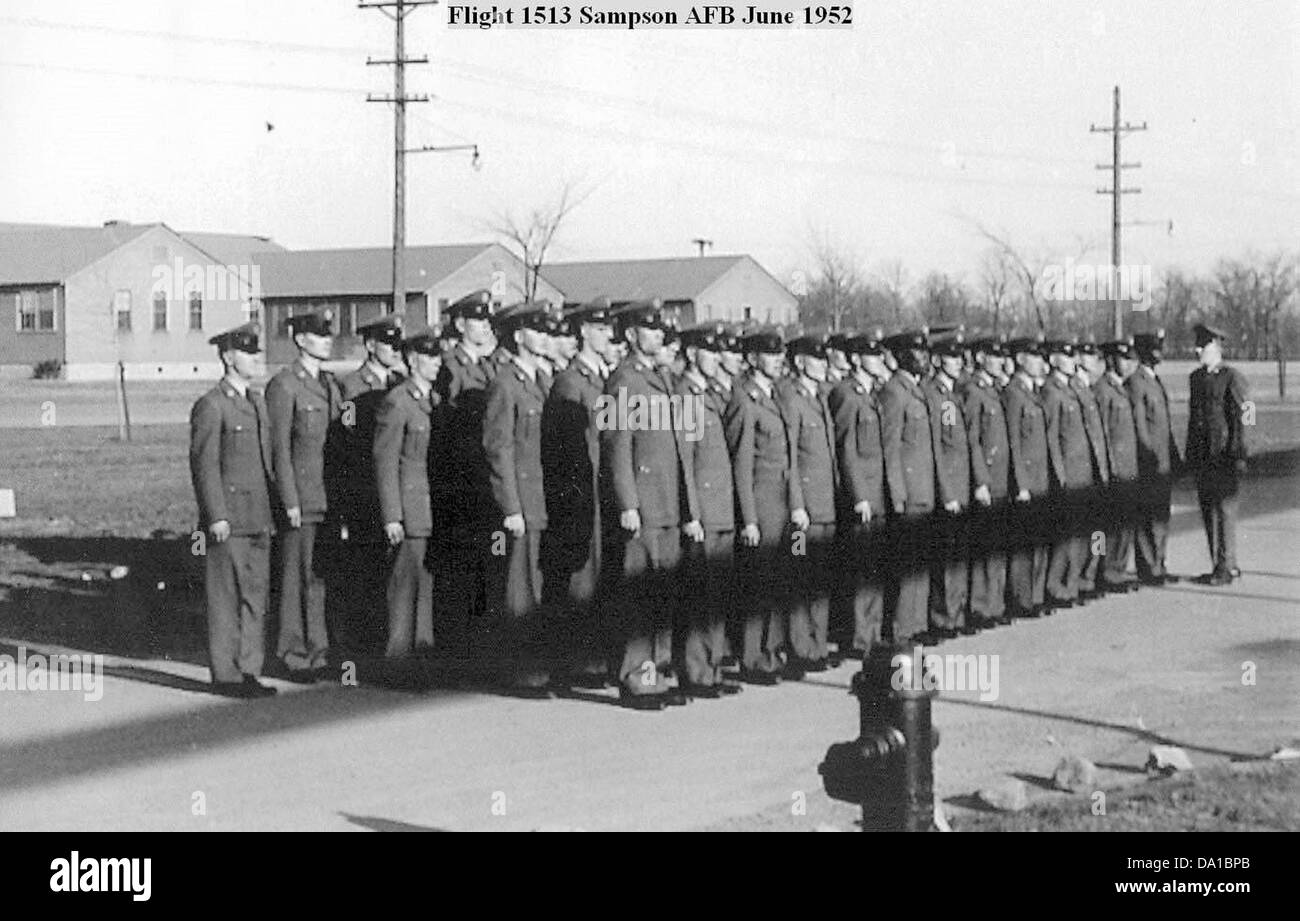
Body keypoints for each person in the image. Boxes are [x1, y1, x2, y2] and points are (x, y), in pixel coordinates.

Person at [601, 300, 701, 710]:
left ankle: (657, 673)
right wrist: (627, 502)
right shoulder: (622, 380)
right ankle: (636, 677)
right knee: (640, 596)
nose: (658, 334)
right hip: (643, 500)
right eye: (649, 328)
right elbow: (616, 445)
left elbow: (682, 448)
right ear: (630, 334)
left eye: (661, 329)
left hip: (669, 502)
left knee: (662, 594)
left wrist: (689, 506)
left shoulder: (664, 377)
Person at [189, 323, 278, 698]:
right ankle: (226, 674)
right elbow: (204, 464)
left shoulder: (256, 402)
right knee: (225, 597)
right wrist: (216, 515)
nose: (257, 359)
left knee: (255, 595)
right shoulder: (212, 405)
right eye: (248, 352)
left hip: (259, 514)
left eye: (258, 352)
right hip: (229, 518)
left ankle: (249, 669)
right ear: (228, 357)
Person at [541, 297, 616, 688]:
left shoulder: (604, 379)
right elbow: (565, 450)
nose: (608, 335)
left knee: (600, 578)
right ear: (584, 332)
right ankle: (571, 664)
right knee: (579, 580)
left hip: (603, 491)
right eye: (601, 329)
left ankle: (593, 660)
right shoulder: (570, 383)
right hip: (581, 494)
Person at [483, 303, 557, 696]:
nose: (545, 336)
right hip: (521, 503)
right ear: (518, 336)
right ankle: (520, 672)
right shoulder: (505, 384)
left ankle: (537, 667)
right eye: (536, 330)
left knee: (538, 587)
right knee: (518, 589)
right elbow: (500, 449)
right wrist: (509, 507)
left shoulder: (543, 381)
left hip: (543, 499)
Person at [267, 311, 341, 682]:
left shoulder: (331, 384)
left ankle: (319, 650)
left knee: (318, 577)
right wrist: (289, 500)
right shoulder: (284, 385)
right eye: (318, 334)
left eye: (329, 335)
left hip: (327, 497)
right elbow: (278, 448)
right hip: (301, 496)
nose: (327, 340)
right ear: (300, 340)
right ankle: (291, 654)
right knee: (295, 576)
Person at [724, 326, 797, 684]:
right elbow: (741, 464)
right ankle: (753, 657)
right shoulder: (744, 400)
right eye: (770, 354)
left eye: (781, 353)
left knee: (777, 580)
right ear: (752, 359)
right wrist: (748, 519)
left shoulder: (775, 396)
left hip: (781, 502)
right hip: (761, 502)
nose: (778, 360)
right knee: (758, 583)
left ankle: (771, 651)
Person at [432, 290, 499, 674]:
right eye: (478, 319)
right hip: (458, 484)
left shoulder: (489, 368)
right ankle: (455, 655)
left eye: (488, 319)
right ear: (459, 325)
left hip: (482, 484)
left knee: (482, 570)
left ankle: (477, 652)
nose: (485, 325)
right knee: (458, 571)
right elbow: (446, 429)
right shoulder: (450, 368)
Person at [331, 313, 406, 655]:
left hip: (393, 488)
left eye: (397, 344)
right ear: (371, 345)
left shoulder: (400, 382)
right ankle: (360, 645)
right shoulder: (351, 385)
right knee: (364, 568)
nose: (394, 349)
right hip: (363, 487)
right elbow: (345, 443)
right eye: (387, 343)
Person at [675, 322, 742, 697]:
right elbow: (686, 459)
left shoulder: (711, 395)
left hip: (721, 508)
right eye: (709, 351)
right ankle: (696, 671)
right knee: (700, 596)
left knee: (716, 594)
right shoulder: (686, 396)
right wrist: (692, 513)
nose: (716, 358)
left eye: (719, 352)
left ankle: (712, 667)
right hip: (704, 509)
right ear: (691, 354)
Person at [373, 327, 442, 660]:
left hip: (430, 508)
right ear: (413, 361)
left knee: (425, 586)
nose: (436, 362)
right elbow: (385, 460)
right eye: (429, 357)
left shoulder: (435, 401)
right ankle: (399, 660)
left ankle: (422, 655)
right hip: (409, 506)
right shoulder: (397, 402)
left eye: (438, 355)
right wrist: (392, 515)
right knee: (405, 587)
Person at [778, 333, 839, 672]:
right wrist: (796, 504)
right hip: (804, 512)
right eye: (817, 359)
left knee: (819, 578)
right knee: (801, 577)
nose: (823, 365)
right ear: (800, 362)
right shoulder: (792, 399)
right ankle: (801, 648)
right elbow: (790, 458)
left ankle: (816, 644)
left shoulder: (817, 398)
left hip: (825, 506)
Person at [827, 329, 889, 658]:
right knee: (862, 569)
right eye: (872, 355)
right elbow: (847, 449)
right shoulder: (848, 395)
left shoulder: (869, 394)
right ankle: (859, 638)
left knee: (874, 568)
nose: (879, 360)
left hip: (877, 490)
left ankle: (873, 633)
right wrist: (858, 495)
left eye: (880, 355)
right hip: (863, 494)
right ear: (855, 359)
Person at [879, 329, 936, 645]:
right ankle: (902, 628)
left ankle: (916, 624)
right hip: (909, 491)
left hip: (923, 488)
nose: (924, 358)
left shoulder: (917, 391)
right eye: (917, 352)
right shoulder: (894, 393)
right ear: (902, 355)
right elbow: (890, 449)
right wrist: (897, 495)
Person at [1186, 323, 1249, 585]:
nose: (1198, 349)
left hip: (1224, 454)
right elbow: (1194, 419)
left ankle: (1226, 564)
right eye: (1198, 345)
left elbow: (1246, 413)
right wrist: (1190, 455)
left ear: (1216, 348)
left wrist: (1239, 449)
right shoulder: (1196, 378)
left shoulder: (1232, 377)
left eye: (1204, 345)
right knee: (1208, 509)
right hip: (1203, 456)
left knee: (1224, 511)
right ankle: (1221, 563)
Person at [923, 330, 972, 638]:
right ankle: (943, 617)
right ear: (939, 359)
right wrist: (947, 490)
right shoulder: (937, 396)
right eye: (952, 357)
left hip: (960, 482)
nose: (958, 362)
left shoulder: (952, 395)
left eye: (959, 356)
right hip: (949, 485)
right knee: (945, 556)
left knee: (957, 554)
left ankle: (955, 614)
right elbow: (940, 448)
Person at [963, 336, 1012, 628]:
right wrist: (980, 480)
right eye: (994, 355)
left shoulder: (993, 391)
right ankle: (981, 607)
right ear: (981, 358)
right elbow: (970, 441)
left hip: (1001, 478)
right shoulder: (973, 392)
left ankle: (994, 604)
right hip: (987, 480)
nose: (1001, 361)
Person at [1127, 330, 1181, 584]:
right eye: (1154, 349)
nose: (1159, 354)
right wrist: (1147, 455)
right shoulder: (1136, 383)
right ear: (1144, 353)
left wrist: (1173, 456)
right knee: (1148, 516)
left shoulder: (1155, 381)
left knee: (1161, 515)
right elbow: (1139, 425)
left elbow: (1164, 425)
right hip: (1148, 461)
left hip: (1163, 461)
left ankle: (1159, 563)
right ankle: (1148, 567)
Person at [1002, 336, 1051, 619]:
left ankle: (1034, 594)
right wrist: (1020, 483)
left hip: (1040, 477)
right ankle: (1022, 599)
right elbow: (1013, 442)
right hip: (1027, 480)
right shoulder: (1014, 393)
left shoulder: (1032, 392)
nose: (1041, 362)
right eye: (1034, 357)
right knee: (1024, 544)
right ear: (1020, 360)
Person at [1093, 339, 1141, 593]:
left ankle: (1119, 569)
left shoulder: (1121, 388)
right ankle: (1107, 571)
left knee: (1124, 522)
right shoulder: (1102, 390)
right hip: (1114, 468)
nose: (1129, 364)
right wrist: (1107, 468)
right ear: (1111, 360)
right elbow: (1101, 433)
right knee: (1110, 525)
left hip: (1128, 467)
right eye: (1124, 359)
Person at [1073, 341, 1111, 598]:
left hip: (1097, 469)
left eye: (1096, 356)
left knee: (1097, 529)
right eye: (1088, 356)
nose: (1095, 361)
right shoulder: (1074, 388)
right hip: (1082, 470)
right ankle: (1082, 579)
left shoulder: (1089, 389)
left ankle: (1092, 575)